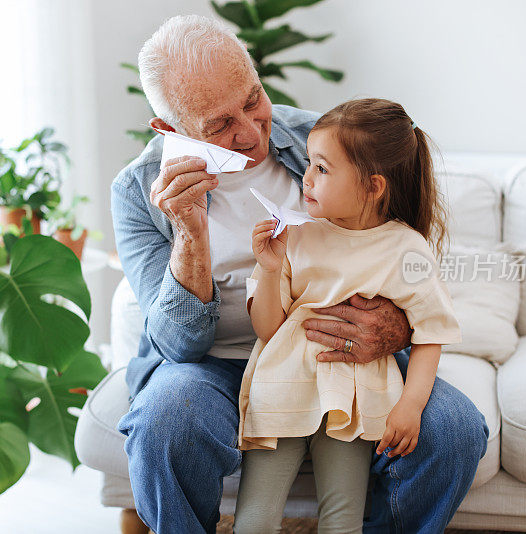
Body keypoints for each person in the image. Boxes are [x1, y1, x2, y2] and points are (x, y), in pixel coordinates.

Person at [112, 14, 489, 534]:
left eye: (251, 99)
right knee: (165, 421)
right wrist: (190, 238)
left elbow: (402, 253)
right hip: (214, 367)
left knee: (456, 431)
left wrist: (395, 326)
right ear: (170, 130)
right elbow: (178, 346)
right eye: (219, 125)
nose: (249, 133)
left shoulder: (323, 137)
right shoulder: (137, 192)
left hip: (345, 355)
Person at [234, 98, 462, 533]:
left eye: (322, 168)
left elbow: (432, 331)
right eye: (309, 164)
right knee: (254, 520)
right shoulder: (295, 235)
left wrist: (410, 406)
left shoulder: (406, 249)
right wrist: (267, 269)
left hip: (354, 402)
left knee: (342, 521)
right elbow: (267, 329)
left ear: (373, 187)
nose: (307, 178)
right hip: (281, 391)